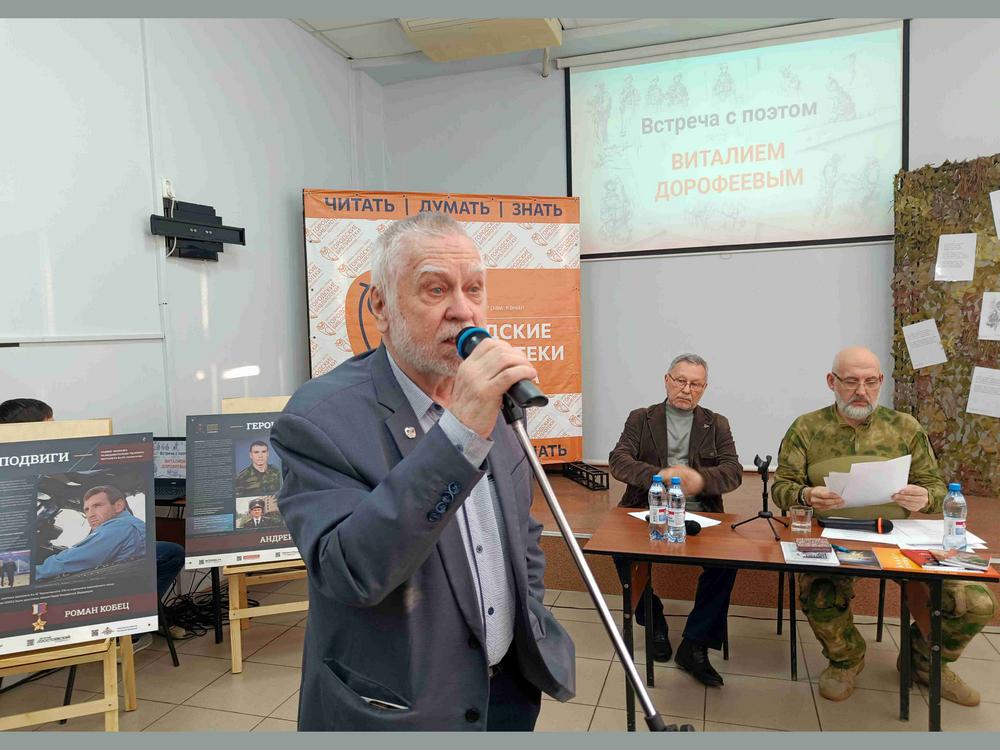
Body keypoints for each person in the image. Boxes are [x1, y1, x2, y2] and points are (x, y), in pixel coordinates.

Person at [271, 212, 575, 731]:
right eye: (436, 289)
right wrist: (459, 435)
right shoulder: (318, 420)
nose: (464, 310)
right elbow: (349, 572)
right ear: (381, 307)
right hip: (404, 708)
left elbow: (521, 534)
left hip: (508, 690)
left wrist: (528, 616)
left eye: (474, 289)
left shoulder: (497, 404)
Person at [772, 346, 997, 706]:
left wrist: (925, 497)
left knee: (975, 602)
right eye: (850, 382)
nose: (861, 391)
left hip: (898, 535)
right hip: (831, 533)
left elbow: (938, 489)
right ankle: (846, 659)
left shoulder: (904, 427)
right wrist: (807, 494)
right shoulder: (807, 428)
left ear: (880, 382)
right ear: (831, 382)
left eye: (871, 382)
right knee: (820, 592)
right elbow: (782, 488)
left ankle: (923, 660)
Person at [609, 354, 742, 687]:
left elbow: (733, 471)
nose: (687, 389)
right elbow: (619, 460)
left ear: (704, 388)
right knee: (620, 551)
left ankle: (695, 644)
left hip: (701, 512)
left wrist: (700, 480)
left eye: (695, 384)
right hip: (646, 508)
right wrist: (660, 475)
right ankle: (653, 620)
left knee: (727, 563)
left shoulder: (717, 423)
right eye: (681, 381)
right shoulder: (641, 418)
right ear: (666, 380)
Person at [35, 485, 147, 580]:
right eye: (87, 509)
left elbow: (74, 559)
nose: (90, 515)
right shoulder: (130, 525)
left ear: (118, 506)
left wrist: (34, 573)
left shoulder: (121, 526)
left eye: (97, 506)